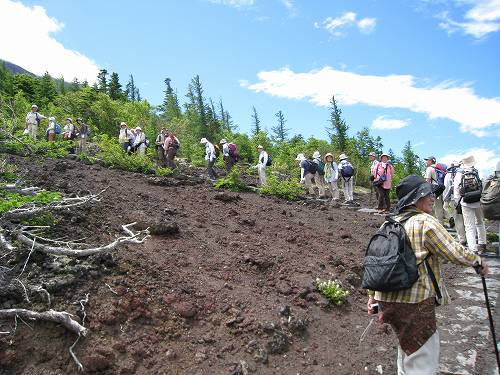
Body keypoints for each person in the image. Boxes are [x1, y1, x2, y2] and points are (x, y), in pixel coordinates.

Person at [367, 175, 488, 375]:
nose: (433, 197)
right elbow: (453, 251)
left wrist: (372, 296)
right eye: (428, 194)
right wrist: (477, 261)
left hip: (387, 300)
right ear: (416, 198)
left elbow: (375, 261)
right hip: (415, 302)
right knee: (423, 355)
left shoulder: (387, 224)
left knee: (406, 347)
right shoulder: (424, 222)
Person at [453, 156, 487, 255]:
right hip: (478, 200)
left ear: (463, 163)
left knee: (469, 226)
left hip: (466, 202)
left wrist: (457, 202)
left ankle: (473, 249)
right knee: (480, 222)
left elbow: (456, 191)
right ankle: (482, 245)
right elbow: (484, 184)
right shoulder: (478, 171)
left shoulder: (459, 174)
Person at [443, 161, 466, 245]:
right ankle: (472, 238)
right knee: (466, 219)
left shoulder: (448, 175)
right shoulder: (464, 172)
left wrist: (445, 200)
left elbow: (446, 189)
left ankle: (462, 239)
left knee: (458, 220)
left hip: (455, 200)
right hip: (467, 198)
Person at [424, 156, 445, 224]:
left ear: (430, 161)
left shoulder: (429, 168)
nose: (426, 162)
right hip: (442, 188)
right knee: (440, 206)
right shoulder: (439, 168)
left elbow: (427, 180)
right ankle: (446, 219)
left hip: (434, 189)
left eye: (427, 160)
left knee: (435, 207)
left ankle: (438, 224)